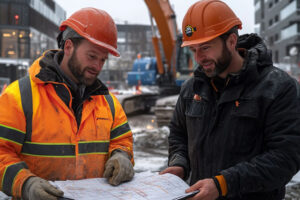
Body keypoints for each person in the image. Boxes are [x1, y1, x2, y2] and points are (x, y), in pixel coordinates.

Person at [160, 0, 300, 199]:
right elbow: (178, 135)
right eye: (193, 50)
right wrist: (179, 163)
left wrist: (224, 184)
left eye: (205, 48)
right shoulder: (192, 89)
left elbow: (286, 157)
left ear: (232, 41)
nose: (198, 58)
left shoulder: (277, 88)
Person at [0, 7, 134, 200]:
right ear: (69, 47)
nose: (97, 66)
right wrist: (25, 183)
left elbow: (122, 141)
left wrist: (121, 155)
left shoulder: (108, 102)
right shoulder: (20, 97)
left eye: (103, 60)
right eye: (92, 56)